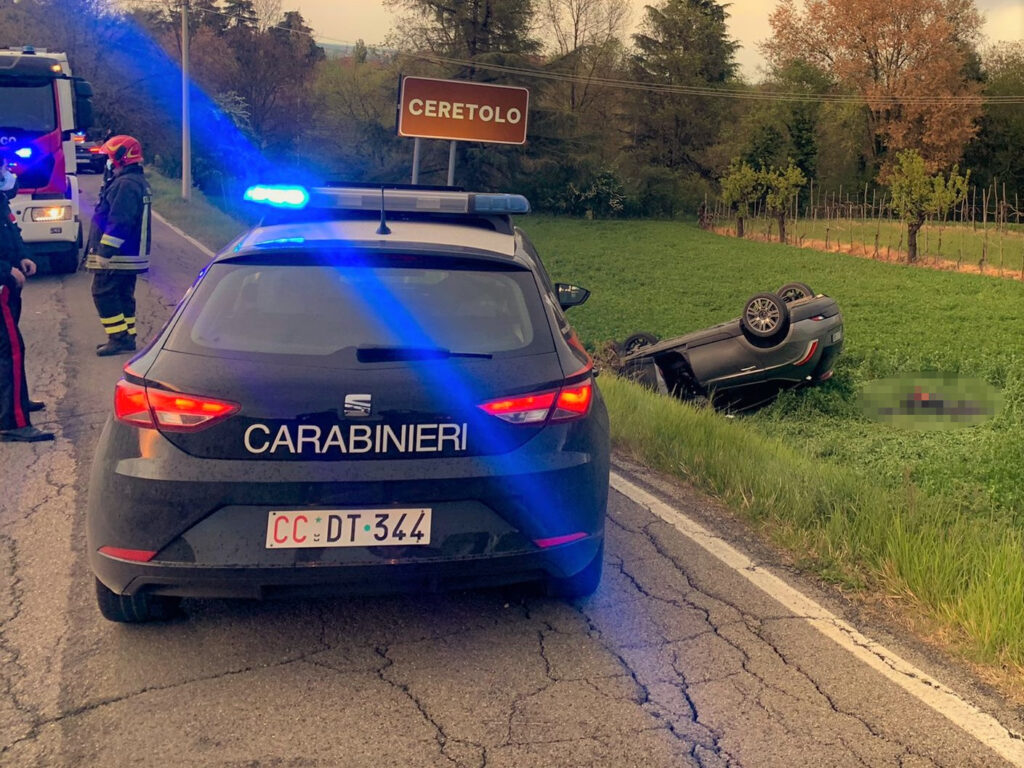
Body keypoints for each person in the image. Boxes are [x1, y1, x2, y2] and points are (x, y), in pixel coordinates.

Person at [0, 149, 52, 442]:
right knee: (11, 349)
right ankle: (14, 422)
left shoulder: (1, 198)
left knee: (8, 349)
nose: (6, 171)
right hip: (2, 285)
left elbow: (10, 233)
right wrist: (6, 271)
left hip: (8, 285)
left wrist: (22, 257)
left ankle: (15, 401)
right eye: (3, 166)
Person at [85, 135, 152, 356]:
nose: (107, 161)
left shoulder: (125, 185)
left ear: (121, 157)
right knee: (123, 294)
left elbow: (120, 221)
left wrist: (105, 252)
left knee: (102, 292)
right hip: (128, 253)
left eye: (109, 156)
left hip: (118, 255)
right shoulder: (132, 182)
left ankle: (118, 338)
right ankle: (127, 335)